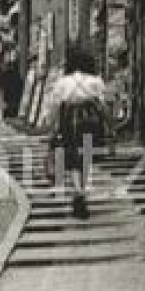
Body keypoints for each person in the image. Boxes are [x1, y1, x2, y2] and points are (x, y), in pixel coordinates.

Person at [48, 47, 108, 219]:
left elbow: (55, 106)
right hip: (90, 121)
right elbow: (103, 104)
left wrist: (52, 127)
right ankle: (81, 191)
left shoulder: (63, 82)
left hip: (70, 120)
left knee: (73, 157)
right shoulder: (96, 81)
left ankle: (78, 192)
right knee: (86, 157)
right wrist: (110, 126)